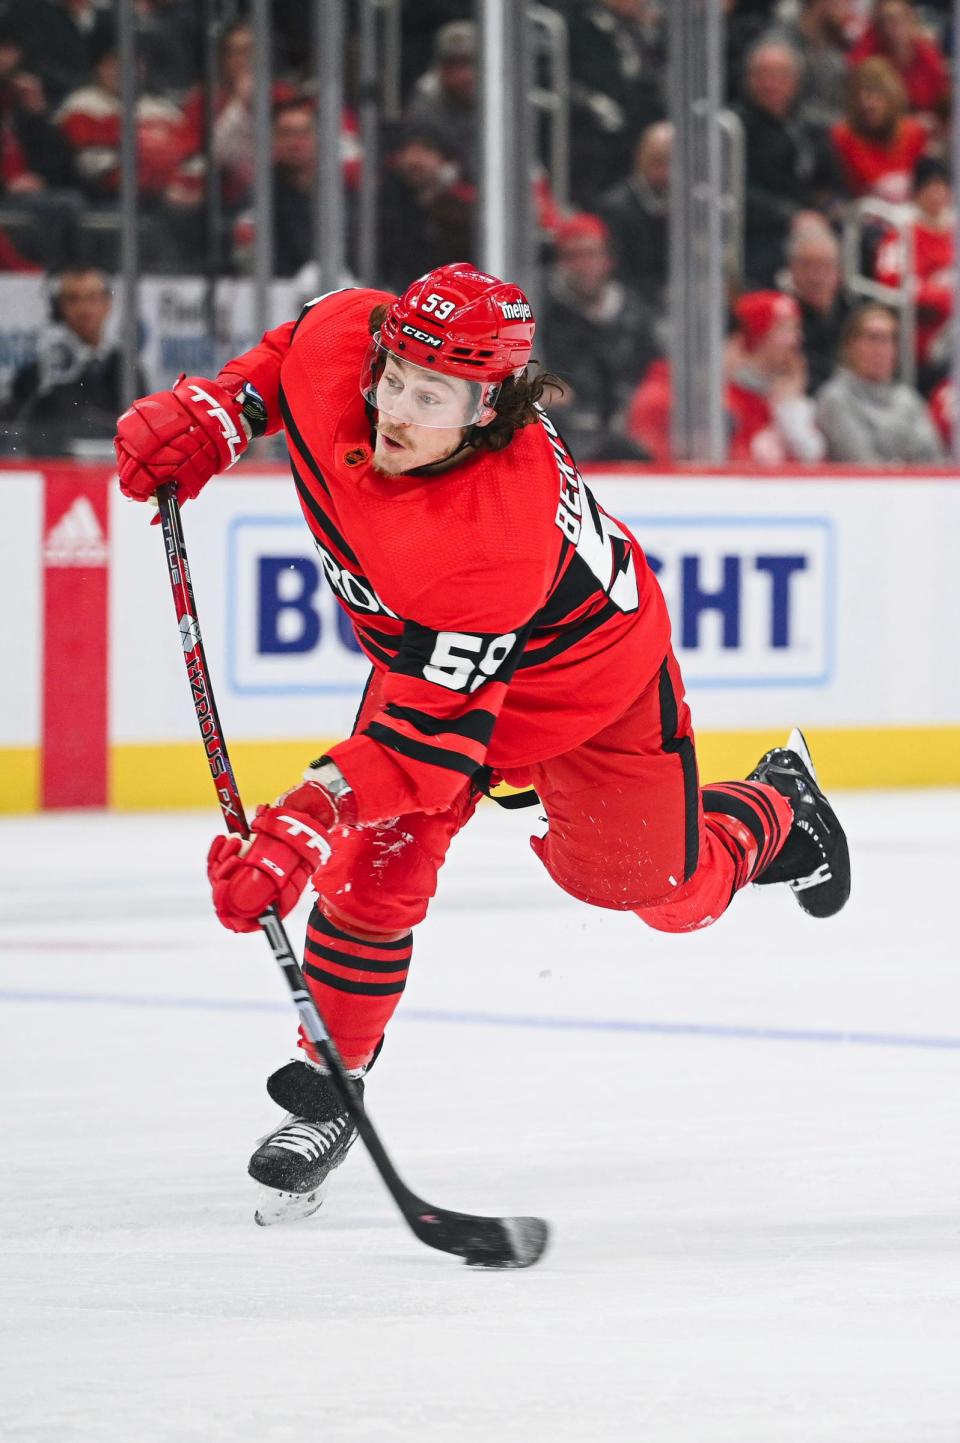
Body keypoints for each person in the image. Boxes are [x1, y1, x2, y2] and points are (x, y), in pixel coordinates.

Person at [113, 263, 851, 1221]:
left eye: (433, 396)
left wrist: (302, 818)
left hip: (590, 688)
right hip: (431, 662)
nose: (395, 410)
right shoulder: (349, 341)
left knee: (657, 892)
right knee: (379, 864)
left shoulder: (487, 533)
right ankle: (332, 1083)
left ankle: (779, 805)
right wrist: (219, 412)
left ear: (489, 407)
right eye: (394, 376)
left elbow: (426, 751)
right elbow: (294, 353)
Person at [537, 212, 659, 461]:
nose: (584, 265)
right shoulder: (541, 311)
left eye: (592, 254)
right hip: (566, 433)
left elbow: (656, 370)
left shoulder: (635, 312)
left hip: (629, 432)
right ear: (560, 262)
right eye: (574, 256)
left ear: (608, 259)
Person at [735, 38, 841, 286]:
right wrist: (791, 216)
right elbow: (737, 190)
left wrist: (832, 208)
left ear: (795, 81)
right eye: (763, 75)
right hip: (761, 233)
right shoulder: (737, 129)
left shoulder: (811, 127)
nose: (771, 84)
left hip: (812, 227)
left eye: (780, 75)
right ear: (749, 80)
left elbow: (832, 182)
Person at [5, 266, 145, 451]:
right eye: (73, 299)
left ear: (107, 304)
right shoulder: (37, 374)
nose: (83, 309)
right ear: (59, 308)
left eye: (92, 298)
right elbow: (16, 435)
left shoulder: (128, 371)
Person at [815, 301, 945, 460]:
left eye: (889, 339)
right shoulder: (835, 398)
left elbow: (933, 459)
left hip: (915, 484)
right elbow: (861, 462)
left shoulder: (908, 399)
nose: (881, 349)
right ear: (850, 345)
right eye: (873, 338)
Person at [872, 156, 953, 381]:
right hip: (924, 333)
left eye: (942, 187)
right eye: (931, 187)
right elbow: (890, 282)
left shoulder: (953, 232)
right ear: (918, 191)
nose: (937, 195)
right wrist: (944, 297)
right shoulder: (900, 231)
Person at [597, 120, 672, 314]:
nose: (665, 172)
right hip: (636, 308)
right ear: (640, 159)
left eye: (671, 162)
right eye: (657, 161)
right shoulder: (615, 208)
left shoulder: (686, 206)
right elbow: (618, 274)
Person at [830, 57, 928, 201]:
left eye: (878, 96)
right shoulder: (843, 137)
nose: (870, 105)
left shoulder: (914, 133)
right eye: (863, 97)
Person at [780, 216, 851, 392]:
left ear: (839, 272)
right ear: (791, 269)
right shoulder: (780, 322)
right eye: (806, 265)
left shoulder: (855, 315)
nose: (815, 276)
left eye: (824, 266)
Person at [848, 0, 949, 119]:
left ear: (911, 21)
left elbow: (940, 98)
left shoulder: (927, 54)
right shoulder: (870, 55)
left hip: (922, 122)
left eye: (898, 19)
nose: (893, 27)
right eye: (886, 21)